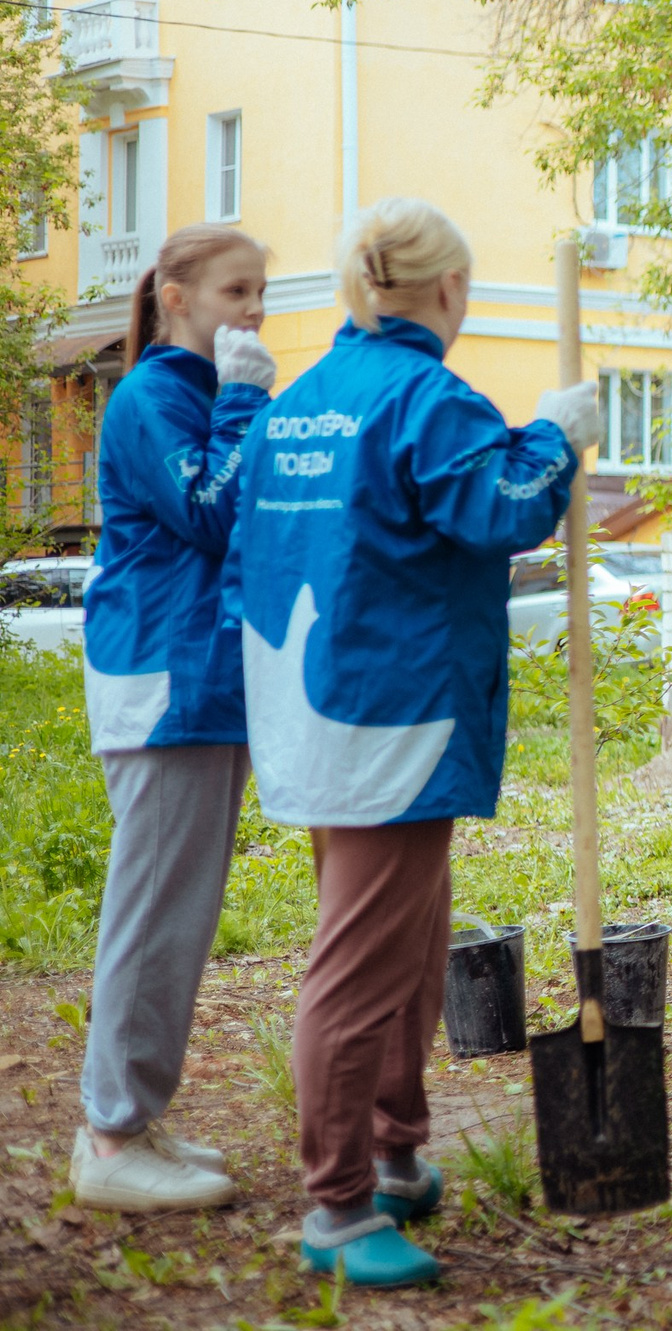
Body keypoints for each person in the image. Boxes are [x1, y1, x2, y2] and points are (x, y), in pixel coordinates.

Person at [226, 200, 597, 1288]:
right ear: (448, 289)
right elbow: (503, 509)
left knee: (405, 947)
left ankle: (394, 1153)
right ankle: (338, 1205)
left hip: (317, 704)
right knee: (358, 968)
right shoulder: (425, 399)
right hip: (393, 714)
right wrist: (554, 437)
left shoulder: (301, 403)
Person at [69, 226, 277, 1213]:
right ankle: (110, 1137)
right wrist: (244, 402)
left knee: (178, 913)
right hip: (163, 679)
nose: (255, 309)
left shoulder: (200, 392)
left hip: (202, 679)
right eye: (236, 290)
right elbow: (209, 511)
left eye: (261, 290)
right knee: (153, 911)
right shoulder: (154, 396)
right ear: (177, 297)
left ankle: (133, 1116)